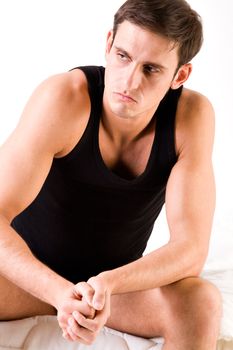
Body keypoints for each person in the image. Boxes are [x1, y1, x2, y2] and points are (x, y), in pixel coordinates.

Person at [0, 0, 222, 349]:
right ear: (108, 44)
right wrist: (58, 292)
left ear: (180, 76)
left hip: (110, 290)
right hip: (25, 279)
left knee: (201, 301)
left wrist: (108, 285)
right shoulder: (64, 98)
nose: (129, 81)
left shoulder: (191, 117)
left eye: (151, 69)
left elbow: (190, 249)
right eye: (122, 56)